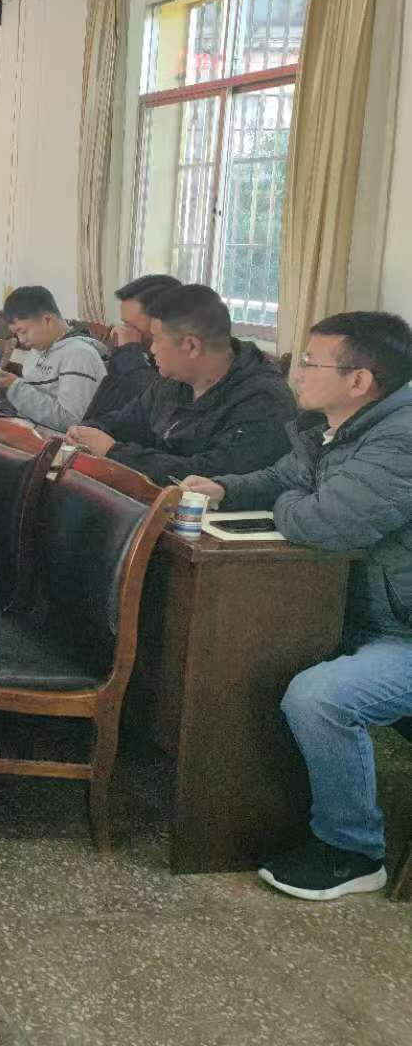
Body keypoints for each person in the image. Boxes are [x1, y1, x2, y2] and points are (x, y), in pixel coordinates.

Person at [177, 312, 412, 902]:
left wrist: (293, 501)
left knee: (320, 696)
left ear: (358, 380)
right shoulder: (337, 428)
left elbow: (326, 523)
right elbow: (284, 478)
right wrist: (226, 489)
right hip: (366, 616)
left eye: (309, 362)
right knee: (246, 651)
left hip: (402, 633)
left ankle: (352, 850)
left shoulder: (402, 440)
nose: (296, 372)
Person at [68, 283, 298, 481]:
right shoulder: (173, 381)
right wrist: (87, 432)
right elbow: (121, 422)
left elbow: (207, 473)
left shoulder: (264, 400)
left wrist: (114, 452)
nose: (151, 349)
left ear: (192, 346)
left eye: (157, 339)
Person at [0, 285, 106, 432]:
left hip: (58, 442)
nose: (21, 340)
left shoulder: (80, 354)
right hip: (31, 433)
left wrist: (15, 388)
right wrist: (6, 393)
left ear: (47, 320)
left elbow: (72, 421)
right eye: (16, 334)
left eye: (23, 331)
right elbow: (31, 405)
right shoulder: (37, 350)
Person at [89, 274, 180, 419]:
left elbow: (156, 402)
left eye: (131, 326)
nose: (124, 331)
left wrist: (129, 350)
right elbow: (101, 409)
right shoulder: (133, 355)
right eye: (124, 323)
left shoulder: (181, 364)